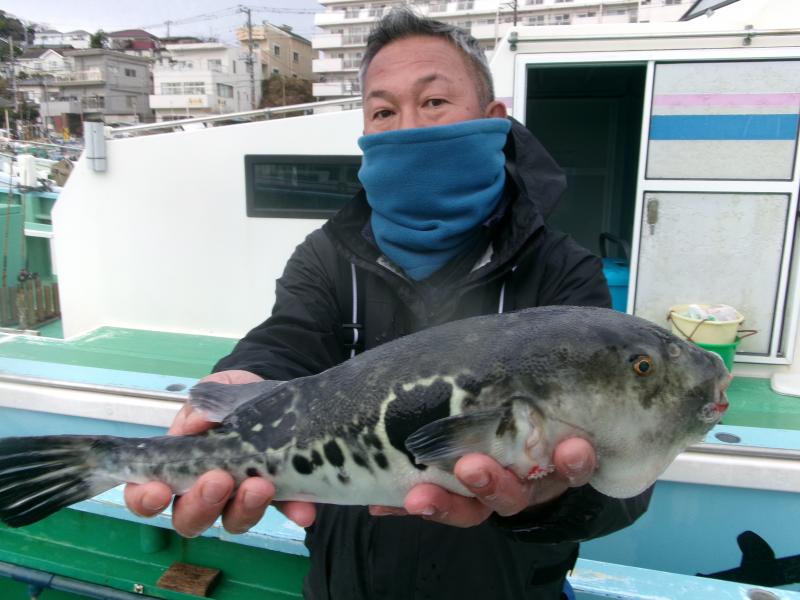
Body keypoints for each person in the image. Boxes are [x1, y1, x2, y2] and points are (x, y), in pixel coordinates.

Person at [125, 8, 652, 599]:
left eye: (433, 102)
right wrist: (245, 381)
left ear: (493, 119)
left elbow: (620, 483)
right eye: (383, 111)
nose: (408, 129)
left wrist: (546, 499)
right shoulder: (327, 256)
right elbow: (288, 340)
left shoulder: (561, 271)